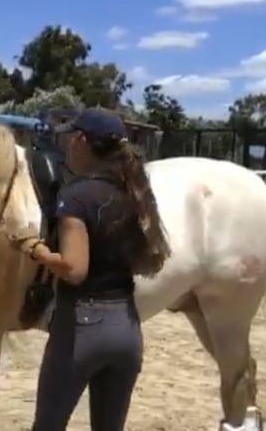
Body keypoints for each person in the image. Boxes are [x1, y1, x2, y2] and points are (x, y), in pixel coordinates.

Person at [18, 107, 172, 431]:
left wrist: (37, 250)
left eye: (71, 139)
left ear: (82, 141)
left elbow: (74, 269)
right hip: (127, 328)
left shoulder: (75, 196)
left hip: (82, 329)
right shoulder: (134, 193)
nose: (68, 146)